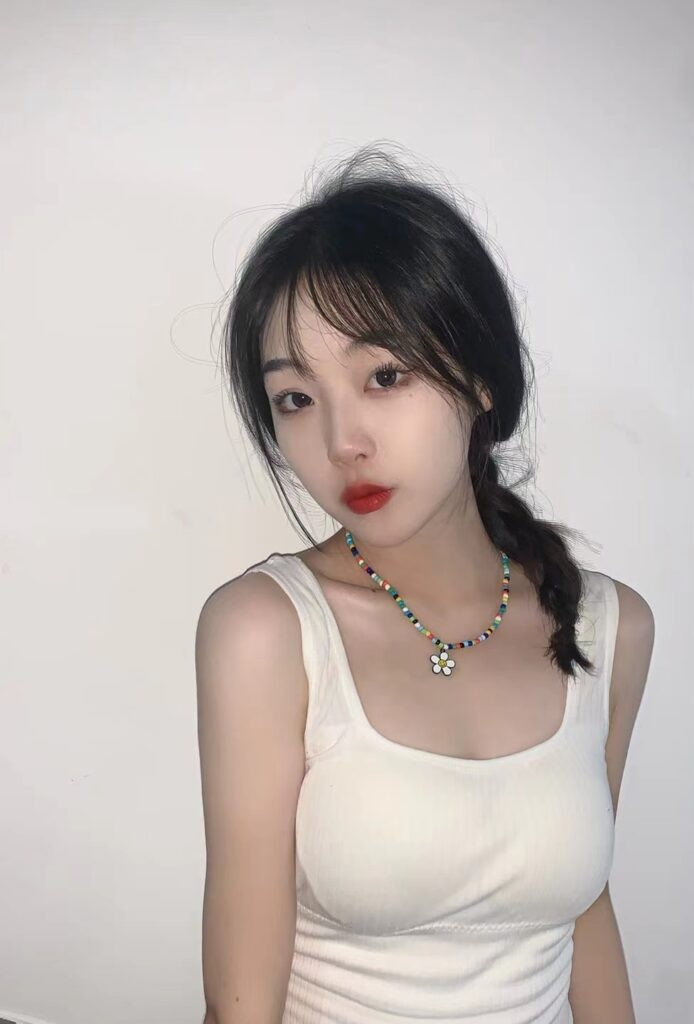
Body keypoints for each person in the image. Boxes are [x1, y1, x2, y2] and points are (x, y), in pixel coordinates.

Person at [195, 145, 655, 1024]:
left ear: (480, 376)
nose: (342, 441)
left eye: (385, 376)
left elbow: (582, 910)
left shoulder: (608, 626)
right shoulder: (266, 632)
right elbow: (239, 1006)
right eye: (296, 398)